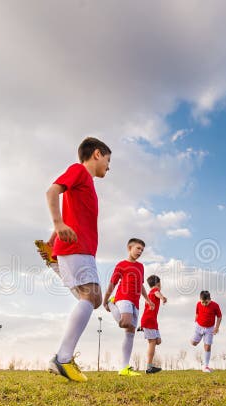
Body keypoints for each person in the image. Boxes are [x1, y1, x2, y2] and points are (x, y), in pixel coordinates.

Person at [44, 137, 111, 382]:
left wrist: (55, 236)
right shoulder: (79, 171)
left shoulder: (87, 183)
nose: (108, 166)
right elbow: (52, 191)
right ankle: (62, 358)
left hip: (78, 249)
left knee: (93, 298)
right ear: (96, 154)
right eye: (107, 159)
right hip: (77, 248)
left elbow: (73, 211)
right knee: (91, 296)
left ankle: (62, 357)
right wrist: (58, 224)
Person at [102, 238, 154, 377]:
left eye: (142, 250)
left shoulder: (141, 267)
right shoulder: (121, 265)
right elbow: (112, 283)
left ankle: (124, 368)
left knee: (130, 332)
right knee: (125, 322)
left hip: (135, 302)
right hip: (122, 297)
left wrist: (148, 299)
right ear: (129, 248)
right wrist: (106, 299)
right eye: (138, 248)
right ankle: (113, 304)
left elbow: (141, 285)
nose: (140, 252)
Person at [139, 275, 167, 374]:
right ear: (158, 283)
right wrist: (163, 298)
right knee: (152, 342)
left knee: (158, 341)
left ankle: (149, 366)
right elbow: (157, 293)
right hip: (149, 321)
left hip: (153, 321)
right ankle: (149, 367)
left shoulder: (150, 293)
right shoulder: (154, 291)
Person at [191, 290, 222, 373]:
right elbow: (197, 313)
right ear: (200, 299)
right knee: (193, 343)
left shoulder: (215, 306)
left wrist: (216, 327)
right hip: (199, 326)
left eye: (206, 302)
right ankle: (198, 338)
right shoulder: (198, 304)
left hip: (209, 329)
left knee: (207, 346)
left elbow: (219, 317)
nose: (204, 304)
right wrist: (195, 319)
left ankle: (206, 366)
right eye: (203, 302)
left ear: (210, 299)